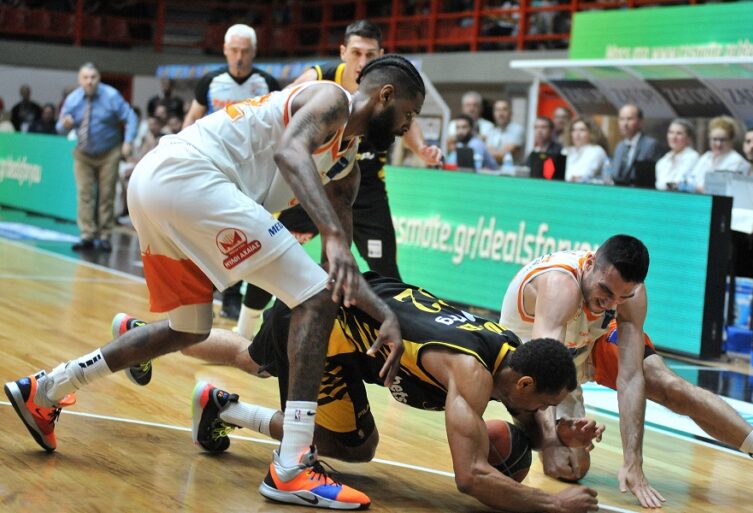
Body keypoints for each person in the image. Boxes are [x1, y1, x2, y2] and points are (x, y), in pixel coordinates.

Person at [4, 54, 430, 510]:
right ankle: (291, 467)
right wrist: (330, 238)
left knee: (188, 329)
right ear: (385, 96)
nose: (408, 126)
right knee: (314, 297)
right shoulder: (331, 99)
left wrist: (383, 314)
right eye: (408, 113)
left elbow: (337, 273)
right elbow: (290, 153)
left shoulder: (345, 167)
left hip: (157, 185)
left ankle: (46, 389)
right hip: (189, 176)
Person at [116, 273, 602, 513]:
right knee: (356, 446)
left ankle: (144, 337)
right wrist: (552, 504)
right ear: (524, 383)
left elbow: (518, 407)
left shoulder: (509, 351)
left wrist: (553, 437)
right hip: (324, 328)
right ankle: (226, 410)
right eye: (544, 405)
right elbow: (470, 477)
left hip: (341, 302)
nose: (541, 413)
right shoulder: (471, 373)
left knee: (252, 358)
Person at [498, 234, 753, 509]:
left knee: (669, 386)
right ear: (590, 265)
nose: (610, 304)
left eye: (621, 297)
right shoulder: (561, 285)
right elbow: (544, 370)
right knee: (570, 466)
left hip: (585, 347)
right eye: (605, 292)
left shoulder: (629, 295)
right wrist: (551, 439)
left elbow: (631, 379)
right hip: (532, 367)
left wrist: (633, 460)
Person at [234, 20, 442, 339]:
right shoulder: (320, 81)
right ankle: (246, 328)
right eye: (356, 53)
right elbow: (284, 118)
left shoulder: (389, 88)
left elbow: (406, 120)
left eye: (370, 54)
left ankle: (395, 337)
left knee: (385, 268)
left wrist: (421, 150)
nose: (362, 60)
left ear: (380, 54)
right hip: (312, 177)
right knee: (277, 252)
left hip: (365, 186)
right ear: (343, 52)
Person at [182, 23, 281, 320]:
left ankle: (231, 296)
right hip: (214, 166)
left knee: (240, 234)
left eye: (245, 51)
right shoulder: (210, 81)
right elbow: (192, 119)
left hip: (254, 170)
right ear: (225, 50)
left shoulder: (267, 82)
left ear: (254, 52)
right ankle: (200, 292)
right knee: (207, 231)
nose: (239, 57)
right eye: (234, 50)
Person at [55, 62, 138, 253]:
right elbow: (59, 128)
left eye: (93, 77)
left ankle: (105, 236)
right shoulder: (73, 100)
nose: (89, 81)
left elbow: (130, 117)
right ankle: (87, 235)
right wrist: (65, 125)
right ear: (80, 80)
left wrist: (128, 141)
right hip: (83, 153)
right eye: (85, 78)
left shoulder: (111, 96)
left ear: (99, 78)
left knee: (106, 195)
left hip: (109, 152)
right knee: (85, 194)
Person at [687, 115, 749, 193]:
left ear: (731, 140)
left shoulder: (736, 161)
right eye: (714, 139)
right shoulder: (706, 157)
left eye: (723, 140)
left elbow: (721, 190)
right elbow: (691, 180)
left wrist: (695, 188)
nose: (718, 144)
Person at [606, 104, 664, 186]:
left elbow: (650, 178)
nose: (625, 123)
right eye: (621, 119)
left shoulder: (651, 145)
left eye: (629, 119)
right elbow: (614, 174)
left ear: (640, 122)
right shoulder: (620, 146)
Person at [654, 118, 699, 191]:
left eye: (679, 133)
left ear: (688, 138)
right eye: (671, 132)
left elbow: (680, 184)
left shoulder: (692, 157)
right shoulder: (662, 161)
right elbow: (659, 184)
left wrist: (669, 185)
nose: (674, 137)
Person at [562, 116, 607, 182]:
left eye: (582, 130)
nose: (577, 134)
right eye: (574, 130)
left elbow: (585, 174)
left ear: (591, 133)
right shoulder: (566, 150)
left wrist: (572, 178)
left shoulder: (597, 150)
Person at [486, 99, 526, 164]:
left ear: (511, 113)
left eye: (504, 109)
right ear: (494, 113)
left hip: (513, 169)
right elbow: (487, 152)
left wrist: (489, 154)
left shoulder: (517, 130)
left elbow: (502, 156)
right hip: (494, 169)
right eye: (497, 110)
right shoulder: (492, 131)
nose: (500, 113)